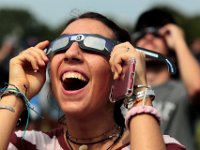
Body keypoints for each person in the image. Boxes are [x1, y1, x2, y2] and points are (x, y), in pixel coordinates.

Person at [0, 12, 185, 150]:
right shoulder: (28, 145)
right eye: (62, 45)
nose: (71, 53)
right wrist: (16, 91)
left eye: (93, 45)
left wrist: (138, 88)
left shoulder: (164, 146)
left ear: (120, 72)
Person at [131, 8, 200, 150]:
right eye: (142, 34)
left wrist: (178, 39)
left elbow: (197, 87)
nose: (149, 37)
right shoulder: (122, 94)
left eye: (157, 35)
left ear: (173, 53)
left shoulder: (181, 91)